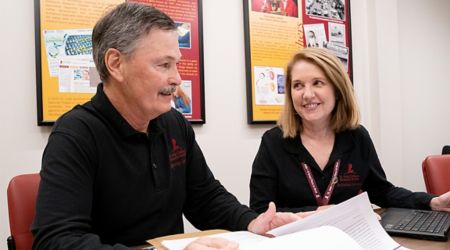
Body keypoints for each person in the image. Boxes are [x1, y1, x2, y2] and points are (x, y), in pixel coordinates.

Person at [32, 3, 300, 249]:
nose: (177, 78)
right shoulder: (76, 134)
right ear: (116, 64)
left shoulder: (173, 124)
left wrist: (251, 222)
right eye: (164, 65)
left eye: (177, 64)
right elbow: (57, 240)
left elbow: (205, 198)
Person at [249, 47, 450, 219]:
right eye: (298, 85)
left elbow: (382, 192)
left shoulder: (357, 137)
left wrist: (433, 202)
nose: (307, 94)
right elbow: (260, 211)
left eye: (317, 83)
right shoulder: (274, 142)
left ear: (337, 90)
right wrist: (316, 213)